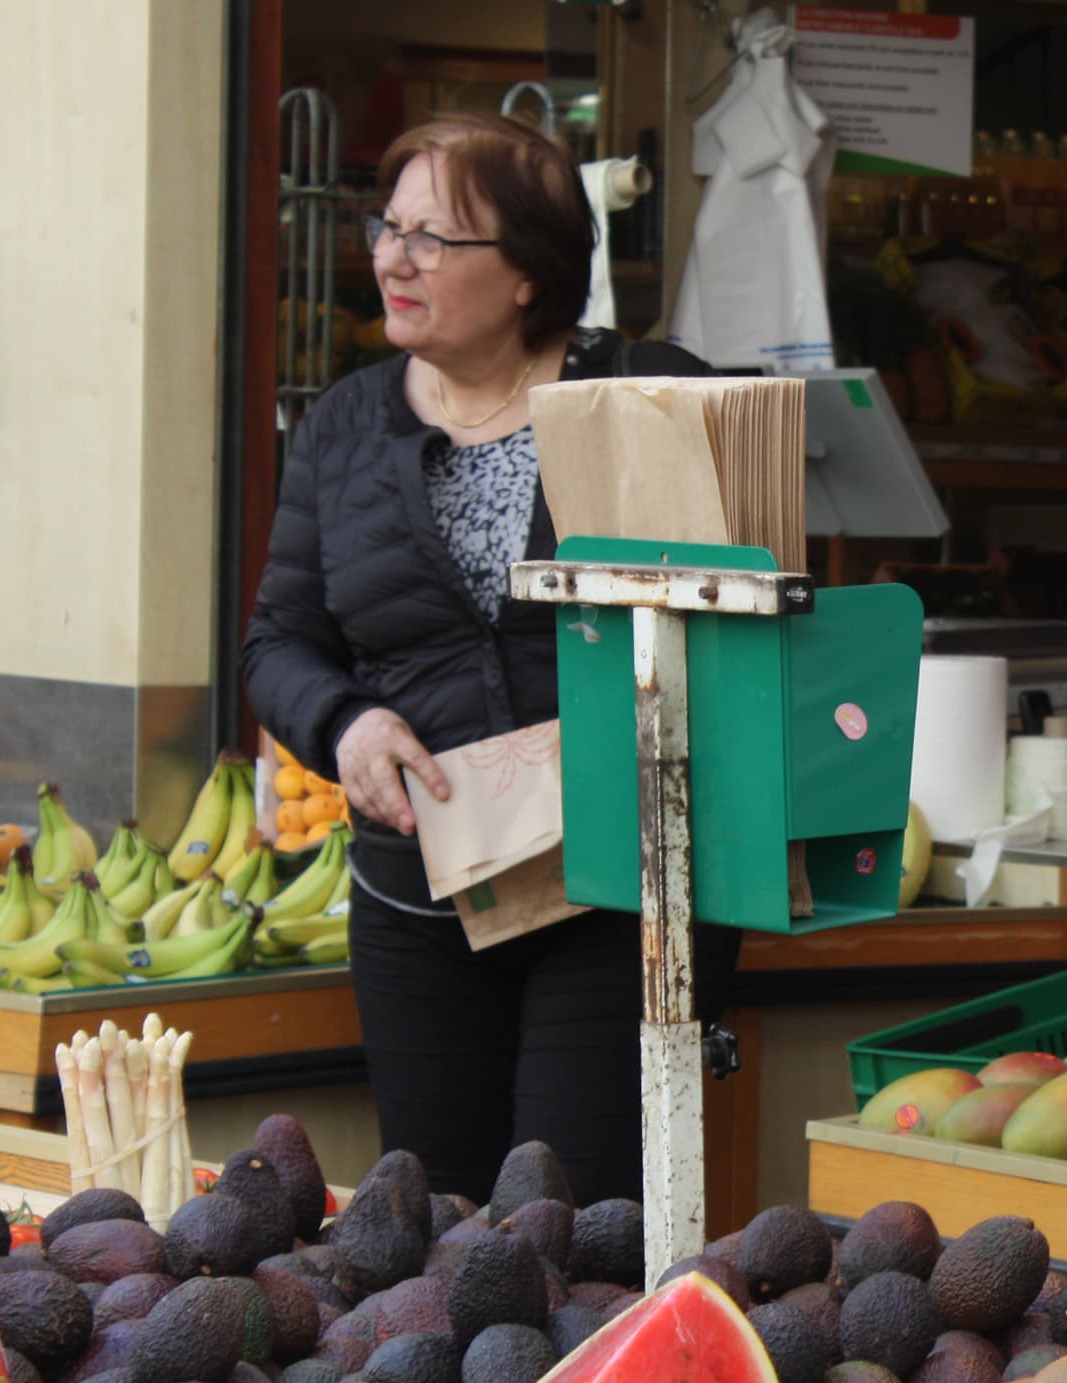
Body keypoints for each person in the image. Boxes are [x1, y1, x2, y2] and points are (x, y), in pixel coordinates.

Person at [241, 113, 720, 1204]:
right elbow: (279, 642)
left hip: (616, 884)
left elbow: (752, 600)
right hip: (418, 891)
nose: (393, 258)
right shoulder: (344, 426)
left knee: (574, 1213)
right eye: (389, 227)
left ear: (526, 276)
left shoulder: (645, 395)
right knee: (438, 1218)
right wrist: (346, 723)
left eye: (436, 240)